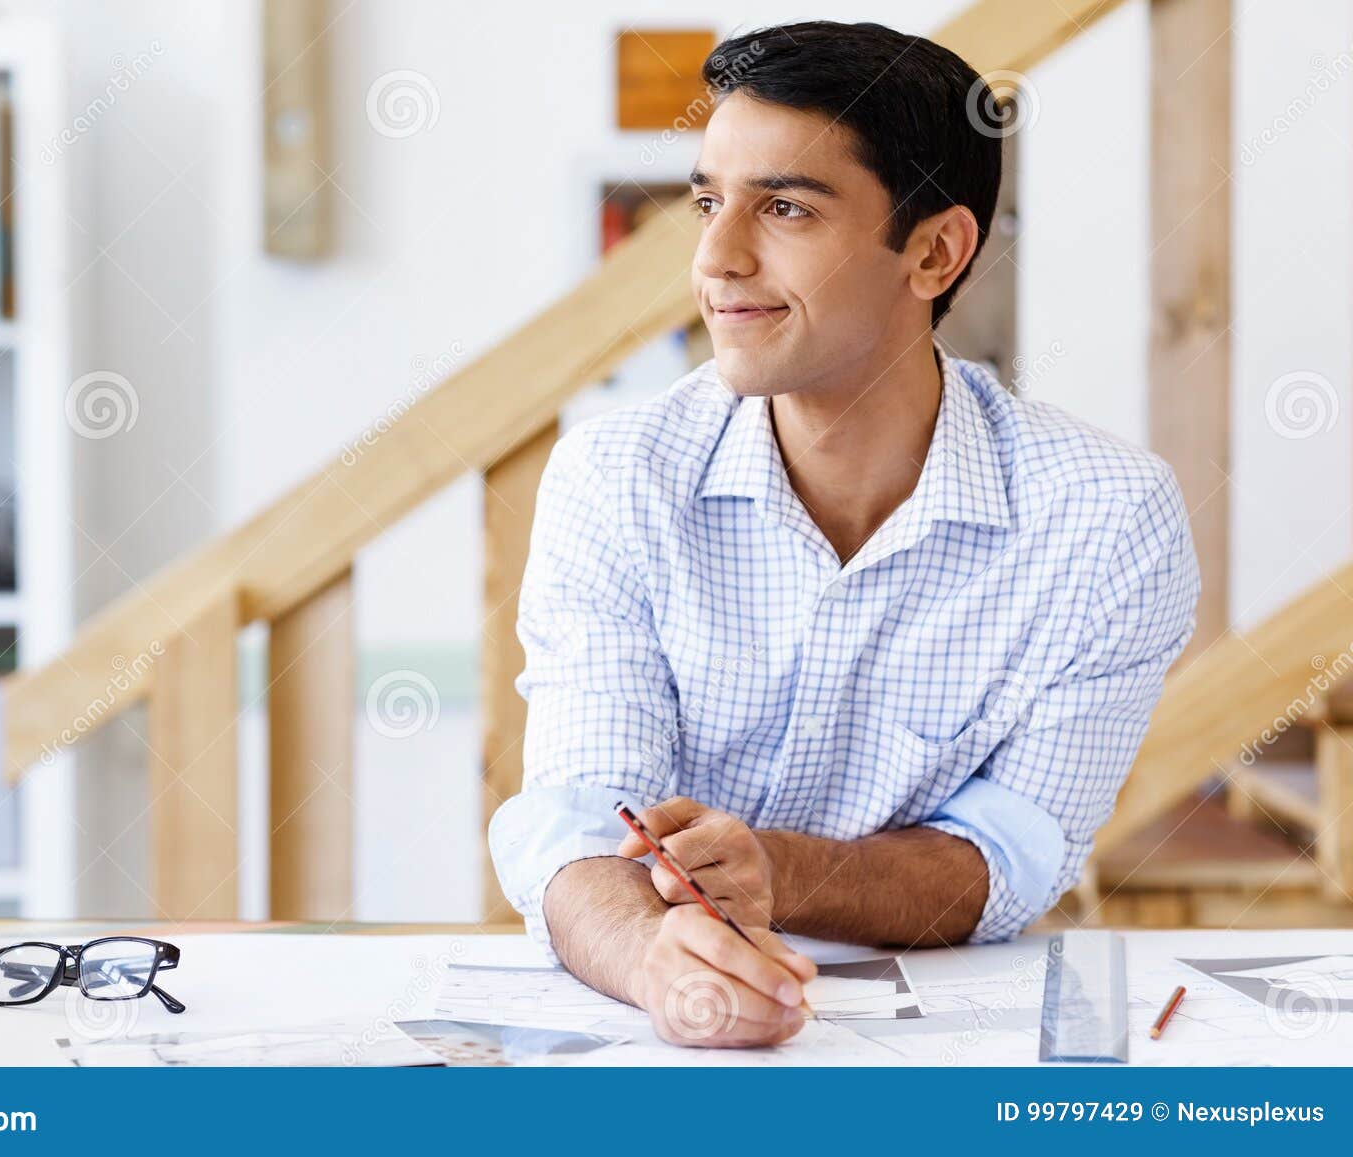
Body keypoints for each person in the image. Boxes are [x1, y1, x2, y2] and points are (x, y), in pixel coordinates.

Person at [488, 20, 1200, 1049]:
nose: (716, 257)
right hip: (657, 1038)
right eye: (705, 202)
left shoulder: (1105, 518)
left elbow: (1009, 854)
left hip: (949, 1049)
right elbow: (575, 817)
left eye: (782, 207)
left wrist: (778, 869)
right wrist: (655, 960)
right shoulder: (617, 475)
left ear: (934, 251)